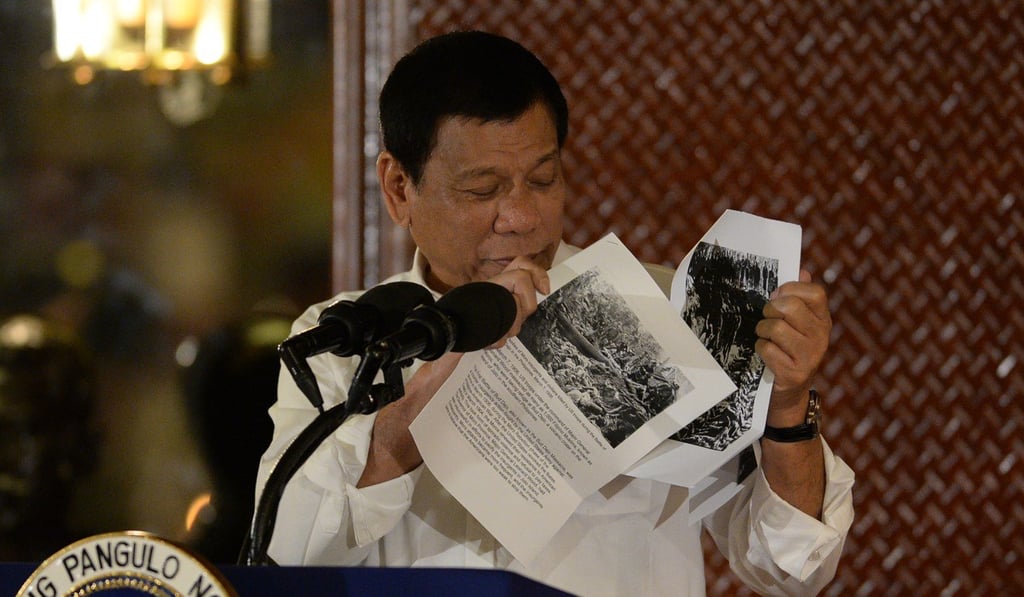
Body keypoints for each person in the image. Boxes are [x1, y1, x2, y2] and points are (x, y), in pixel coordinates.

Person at [255, 30, 854, 596]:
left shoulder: (666, 310)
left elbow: (791, 570)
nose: (519, 218)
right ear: (398, 188)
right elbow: (288, 556)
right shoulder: (345, 337)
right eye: (481, 190)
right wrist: (412, 418)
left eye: (542, 180)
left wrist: (787, 406)